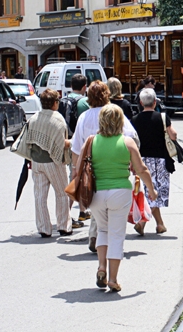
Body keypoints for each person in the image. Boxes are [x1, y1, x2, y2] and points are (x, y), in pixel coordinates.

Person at [91, 104, 157, 293]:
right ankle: (112, 278)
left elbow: (81, 168)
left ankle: (101, 267)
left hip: (96, 193)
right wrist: (151, 190)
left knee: (103, 230)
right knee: (117, 235)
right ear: (120, 121)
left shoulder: (91, 141)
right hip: (120, 192)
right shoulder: (127, 142)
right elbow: (141, 169)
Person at [71, 81, 140, 253]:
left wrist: (75, 170)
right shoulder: (115, 113)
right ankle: (102, 238)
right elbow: (132, 136)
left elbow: (76, 146)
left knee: (96, 198)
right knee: (110, 202)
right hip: (113, 161)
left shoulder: (84, 117)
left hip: (89, 165)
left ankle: (97, 235)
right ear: (107, 95)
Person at [25, 89, 72, 238]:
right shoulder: (57, 119)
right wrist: (72, 143)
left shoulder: (34, 118)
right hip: (53, 161)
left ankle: (44, 228)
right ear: (54, 103)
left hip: (37, 162)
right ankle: (64, 226)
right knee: (61, 194)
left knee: (40, 196)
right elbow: (61, 143)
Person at [130, 88, 176, 235]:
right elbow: (173, 135)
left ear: (141, 102)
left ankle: (155, 223)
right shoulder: (162, 117)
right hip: (160, 160)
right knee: (155, 192)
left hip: (142, 160)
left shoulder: (135, 120)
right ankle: (146, 222)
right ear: (155, 102)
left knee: (148, 190)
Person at [60, 73, 90, 227]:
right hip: (80, 145)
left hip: (66, 142)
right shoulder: (84, 102)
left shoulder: (63, 100)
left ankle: (83, 211)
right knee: (77, 178)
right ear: (84, 87)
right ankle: (66, 216)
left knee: (78, 177)